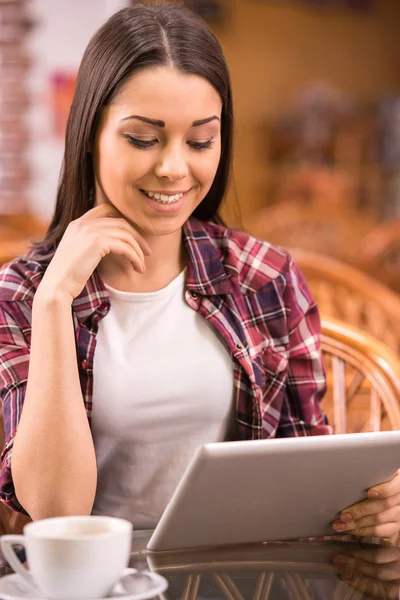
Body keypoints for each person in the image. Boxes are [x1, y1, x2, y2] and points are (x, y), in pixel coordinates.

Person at [0, 3, 399, 538]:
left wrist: (377, 510)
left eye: (200, 141)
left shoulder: (265, 278)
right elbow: (56, 512)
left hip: (237, 576)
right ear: (90, 134)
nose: (172, 167)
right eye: (143, 138)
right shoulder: (21, 293)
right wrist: (53, 302)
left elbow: (309, 479)